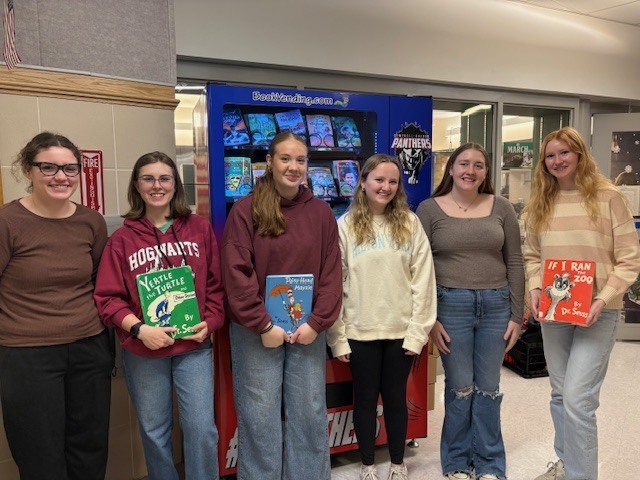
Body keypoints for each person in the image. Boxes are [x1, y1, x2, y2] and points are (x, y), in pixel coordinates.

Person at [94, 151, 224, 480]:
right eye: (148, 178)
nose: (156, 185)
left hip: (193, 347)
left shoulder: (199, 228)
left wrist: (209, 323)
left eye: (164, 178)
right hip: (144, 350)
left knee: (202, 430)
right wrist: (140, 330)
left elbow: (216, 286)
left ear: (175, 184)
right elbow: (108, 299)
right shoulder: (122, 240)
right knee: (155, 433)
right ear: (136, 186)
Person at [221, 132, 342, 480]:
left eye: (300, 160)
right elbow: (236, 274)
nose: (293, 167)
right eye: (285, 159)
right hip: (256, 331)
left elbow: (332, 272)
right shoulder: (245, 211)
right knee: (259, 416)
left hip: (307, 328)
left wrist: (317, 322)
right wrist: (263, 324)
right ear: (270, 162)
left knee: (309, 413)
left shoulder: (320, 213)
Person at [523, 127, 640, 480]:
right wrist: (534, 288)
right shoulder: (540, 202)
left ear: (579, 154)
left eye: (564, 153)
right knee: (560, 394)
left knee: (577, 400)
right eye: (550, 156)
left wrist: (603, 299)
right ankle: (565, 463)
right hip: (555, 311)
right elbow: (530, 255)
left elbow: (630, 259)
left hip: (597, 313)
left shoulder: (609, 197)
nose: (557, 161)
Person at [0, 132, 113, 480]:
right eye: (48, 167)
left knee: (90, 447)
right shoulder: (7, 222)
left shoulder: (91, 221)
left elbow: (100, 282)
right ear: (27, 170)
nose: (60, 176)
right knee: (40, 454)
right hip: (27, 354)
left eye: (69, 168)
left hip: (89, 348)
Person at [416, 142, 524, 480]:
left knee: (489, 387)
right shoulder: (429, 209)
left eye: (479, 165)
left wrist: (517, 316)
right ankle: (457, 461)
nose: (470, 170)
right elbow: (419, 267)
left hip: (496, 305)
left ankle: (490, 463)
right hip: (451, 306)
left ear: (486, 172)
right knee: (460, 386)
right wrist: (429, 318)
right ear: (450, 169)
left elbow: (516, 262)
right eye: (463, 163)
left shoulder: (502, 207)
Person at [327, 154, 437, 480]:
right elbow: (335, 284)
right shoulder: (344, 226)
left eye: (392, 181)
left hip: (400, 331)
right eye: (379, 180)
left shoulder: (410, 223)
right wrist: (338, 336)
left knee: (395, 400)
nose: (385, 187)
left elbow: (424, 280)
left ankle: (398, 463)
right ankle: (366, 465)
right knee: (363, 401)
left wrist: (419, 332)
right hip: (360, 331)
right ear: (363, 182)